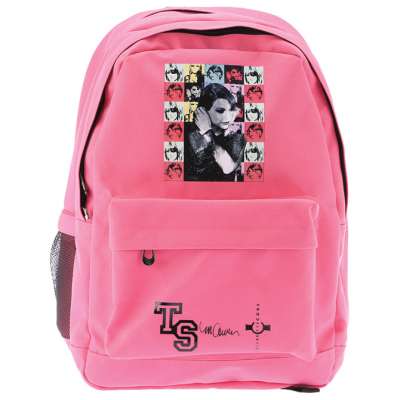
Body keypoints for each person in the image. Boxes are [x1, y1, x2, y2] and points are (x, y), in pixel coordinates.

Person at [184, 83, 245, 181]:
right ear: (203, 111)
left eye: (230, 110)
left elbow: (228, 168)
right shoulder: (188, 133)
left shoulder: (237, 138)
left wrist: (207, 133)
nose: (228, 117)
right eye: (220, 111)